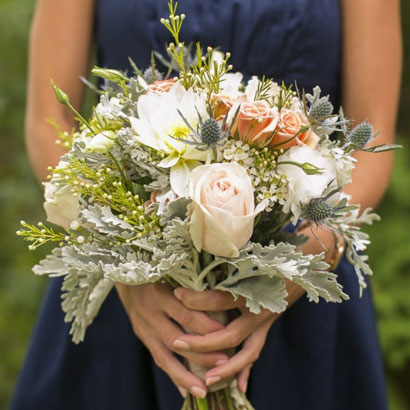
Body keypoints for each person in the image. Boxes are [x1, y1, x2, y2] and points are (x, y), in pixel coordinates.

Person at [11, 1, 402, 409]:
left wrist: (304, 260)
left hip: (303, 290)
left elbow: (371, 137)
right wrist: (125, 266)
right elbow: (48, 121)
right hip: (128, 285)